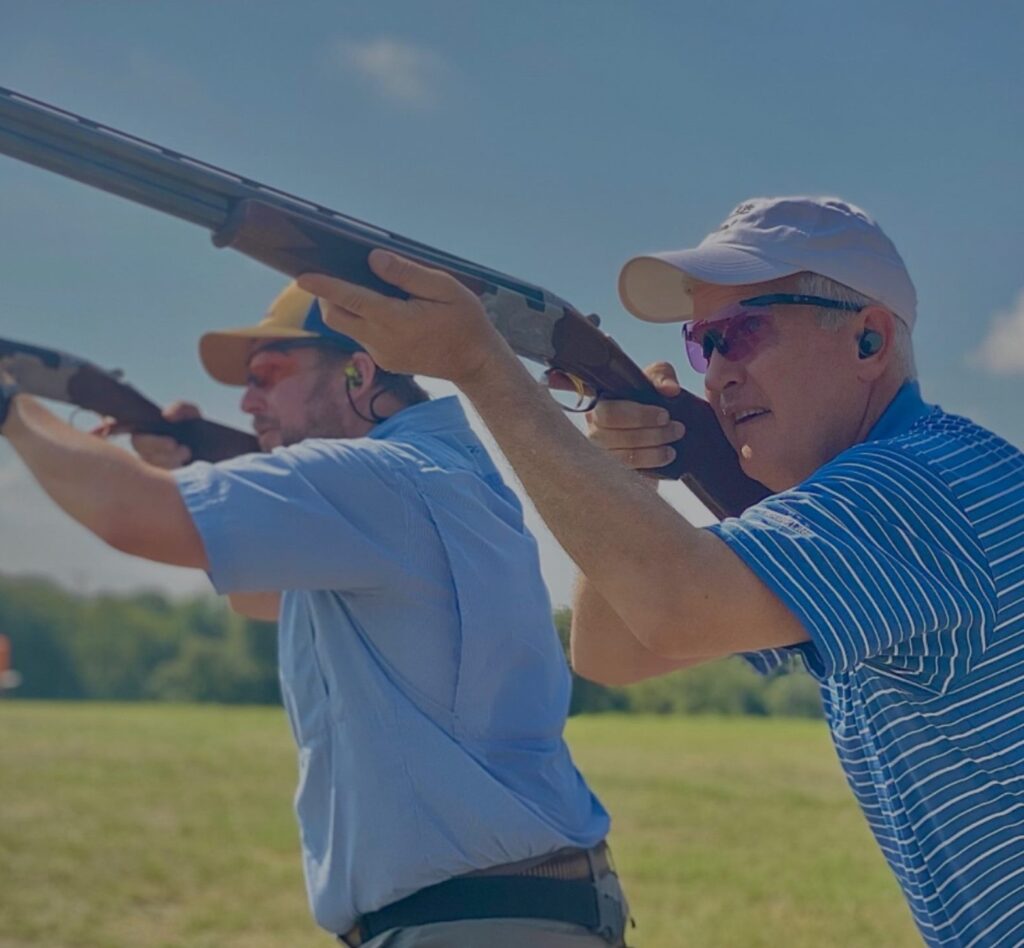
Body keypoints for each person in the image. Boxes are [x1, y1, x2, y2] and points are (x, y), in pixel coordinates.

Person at [299, 196, 1024, 948]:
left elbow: (676, 605)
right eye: (703, 344)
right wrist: (627, 471)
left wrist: (482, 365)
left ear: (869, 338)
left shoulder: (919, 486)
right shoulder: (898, 493)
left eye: (744, 332)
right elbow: (616, 651)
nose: (717, 376)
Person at [0, 282, 630, 947]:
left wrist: (13, 405)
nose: (247, 402)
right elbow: (257, 596)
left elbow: (130, 515)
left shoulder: (379, 476)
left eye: (268, 376)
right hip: (497, 912)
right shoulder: (427, 473)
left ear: (359, 371)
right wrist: (188, 463)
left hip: (475, 920)